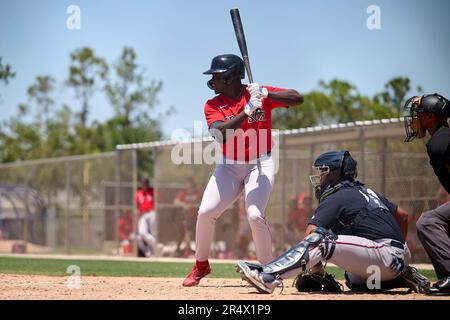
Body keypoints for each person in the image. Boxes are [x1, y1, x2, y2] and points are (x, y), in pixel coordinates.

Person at [182, 54, 304, 286]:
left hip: (260, 162)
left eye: (217, 76)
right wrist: (247, 111)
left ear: (231, 77)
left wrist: (268, 95)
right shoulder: (213, 104)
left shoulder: (258, 92)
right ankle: (201, 265)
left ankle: (270, 270)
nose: (213, 81)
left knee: (255, 214)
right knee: (205, 212)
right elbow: (220, 134)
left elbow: (298, 98)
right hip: (229, 164)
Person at [236, 150, 429, 294]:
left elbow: (311, 236)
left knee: (319, 240)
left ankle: (268, 276)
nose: (320, 177)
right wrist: (399, 251)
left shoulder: (337, 196)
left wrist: (315, 272)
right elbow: (403, 216)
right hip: (397, 257)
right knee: (353, 278)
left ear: (334, 173)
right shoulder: (366, 191)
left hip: (384, 255)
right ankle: (402, 277)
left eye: (323, 171)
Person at [403, 93, 450, 295]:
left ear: (432, 117)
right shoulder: (442, 138)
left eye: (419, 114)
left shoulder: (440, 141)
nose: (415, 119)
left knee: (428, 221)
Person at [174, 177, 202, 256]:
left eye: (191, 187)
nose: (190, 189)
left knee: (197, 233)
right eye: (188, 187)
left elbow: (204, 202)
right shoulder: (184, 193)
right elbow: (175, 202)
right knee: (186, 231)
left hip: (198, 216)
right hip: (187, 216)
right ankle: (187, 249)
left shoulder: (198, 193)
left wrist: (195, 205)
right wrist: (184, 205)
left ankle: (191, 249)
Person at [135, 177, 157, 257]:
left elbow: (159, 201)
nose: (144, 185)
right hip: (143, 215)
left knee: (153, 233)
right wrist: (137, 220)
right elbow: (137, 208)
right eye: (143, 183)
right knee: (142, 233)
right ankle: (152, 248)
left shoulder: (152, 191)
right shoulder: (138, 193)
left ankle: (154, 252)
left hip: (152, 213)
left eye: (146, 183)